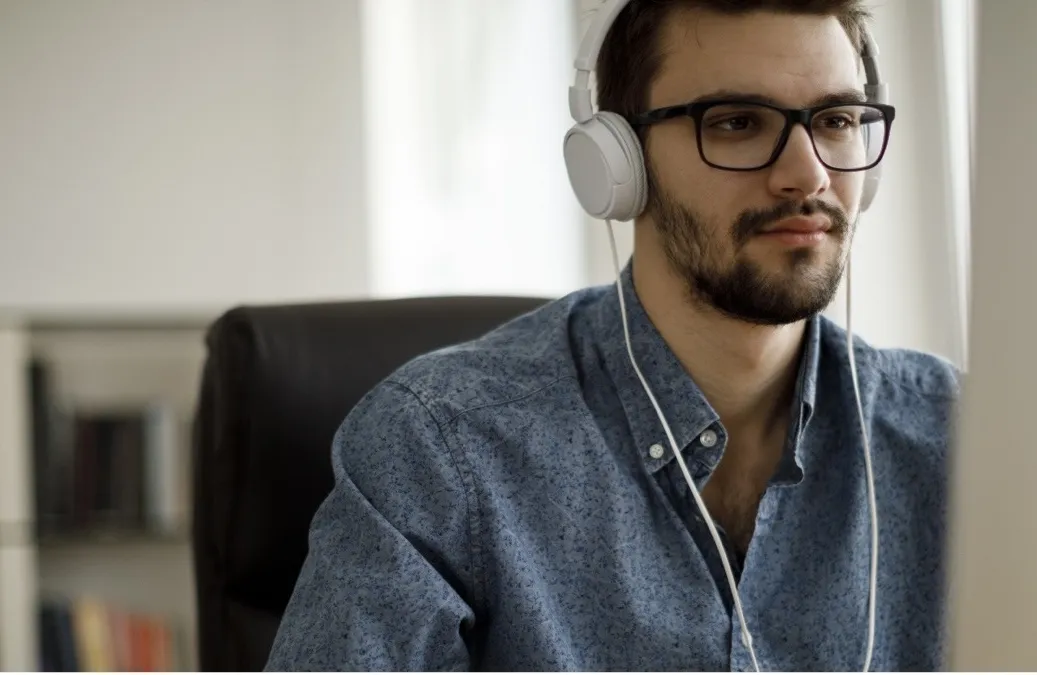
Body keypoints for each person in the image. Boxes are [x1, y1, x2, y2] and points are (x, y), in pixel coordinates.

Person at [265, 0, 959, 670]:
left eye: (835, 119)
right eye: (738, 122)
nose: (807, 173)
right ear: (617, 164)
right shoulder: (441, 449)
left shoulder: (960, 442)